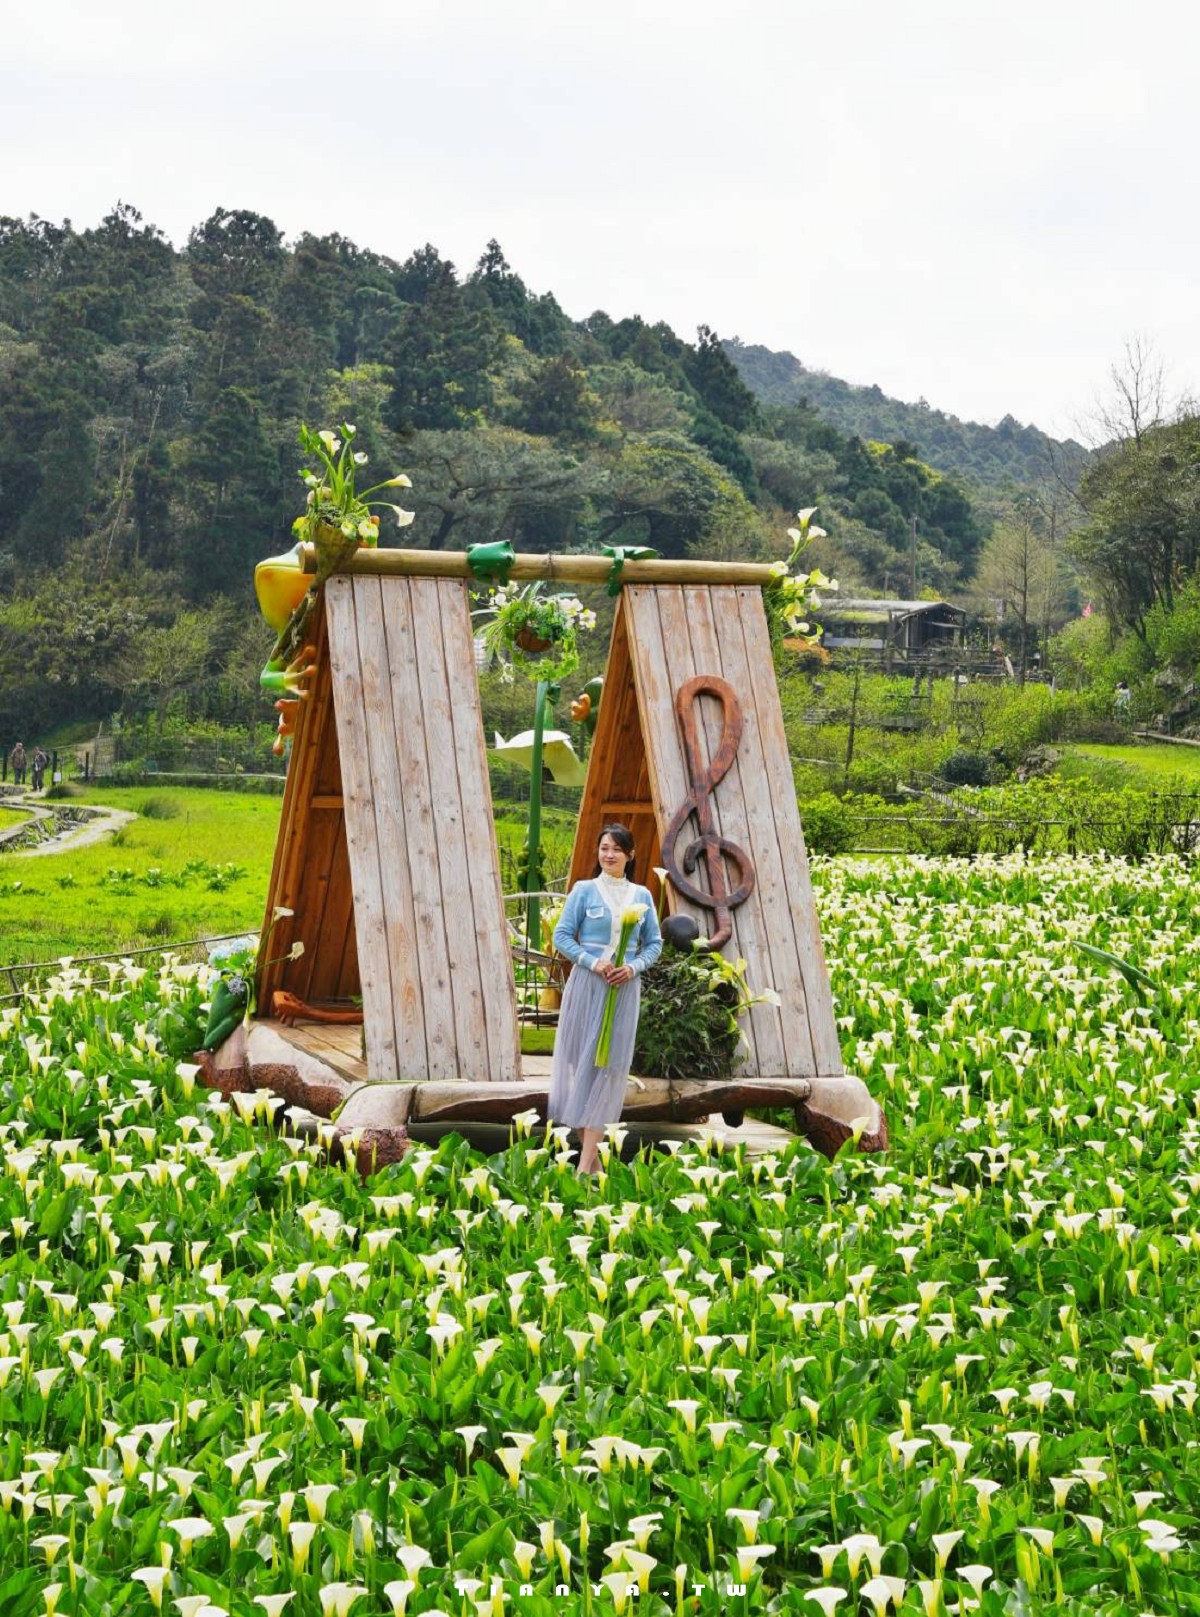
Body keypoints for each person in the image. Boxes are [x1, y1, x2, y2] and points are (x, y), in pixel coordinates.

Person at [549, 824, 663, 1174]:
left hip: (623, 989)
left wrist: (632, 967)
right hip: (587, 985)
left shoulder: (642, 896)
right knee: (577, 1062)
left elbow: (654, 944)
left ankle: (583, 1167)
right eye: (604, 848)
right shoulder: (584, 891)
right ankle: (594, 1166)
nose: (609, 855)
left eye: (616, 849)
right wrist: (593, 962)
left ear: (630, 855)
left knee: (608, 1069)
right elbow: (562, 936)